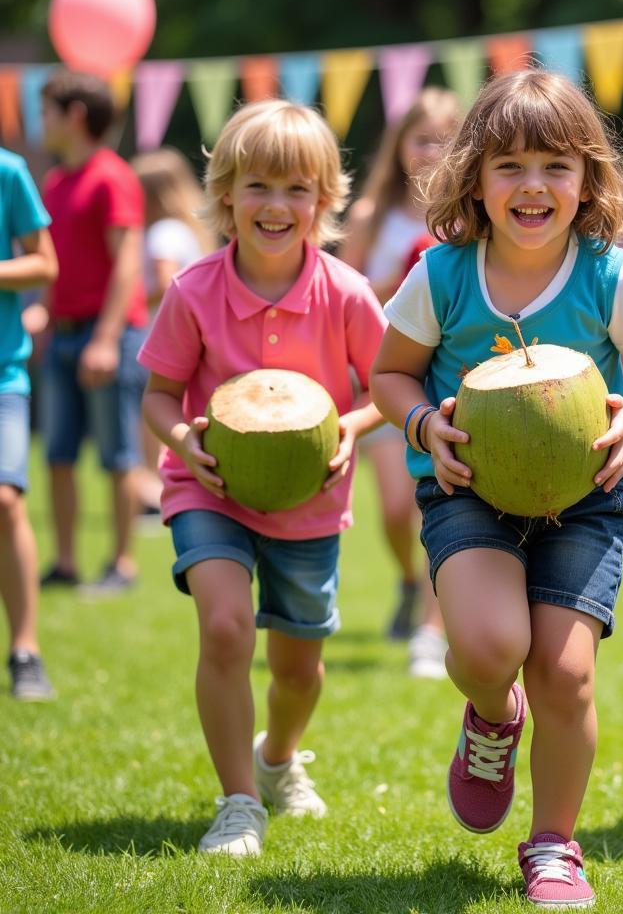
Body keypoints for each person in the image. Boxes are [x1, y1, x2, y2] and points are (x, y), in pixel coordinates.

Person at [369, 70, 623, 908]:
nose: (533, 185)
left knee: (567, 675)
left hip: (585, 498)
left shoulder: (610, 274)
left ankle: (553, 844)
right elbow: (390, 376)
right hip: (467, 490)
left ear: (587, 178)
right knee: (486, 648)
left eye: (555, 164)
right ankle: (491, 715)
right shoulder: (440, 275)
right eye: (509, 164)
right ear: (473, 176)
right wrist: (420, 428)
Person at [138, 99, 386, 857]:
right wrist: (185, 440)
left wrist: (352, 426)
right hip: (206, 489)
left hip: (310, 503)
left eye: (296, 189)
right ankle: (239, 800)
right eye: (258, 187)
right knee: (224, 628)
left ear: (322, 201)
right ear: (226, 196)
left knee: (297, 667)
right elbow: (156, 394)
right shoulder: (193, 290)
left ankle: (279, 756)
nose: (276, 206)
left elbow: (388, 385)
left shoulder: (345, 291)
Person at [342, 87, 461, 668]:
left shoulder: (473, 209)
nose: (431, 150)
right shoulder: (373, 214)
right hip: (387, 374)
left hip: (453, 378)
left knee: (440, 503)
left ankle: (430, 630)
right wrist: (403, 278)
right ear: (400, 145)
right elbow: (347, 292)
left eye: (443, 137)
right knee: (394, 510)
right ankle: (411, 580)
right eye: (421, 138)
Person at [38, 70, 149, 592]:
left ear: (75, 115)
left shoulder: (112, 176)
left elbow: (126, 262)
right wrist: (41, 314)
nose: (41, 123)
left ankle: (121, 565)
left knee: (118, 454)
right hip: (61, 336)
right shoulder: (54, 182)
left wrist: (105, 339)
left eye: (46, 112)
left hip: (109, 338)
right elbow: (48, 263)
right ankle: (64, 563)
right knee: (57, 454)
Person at [0, 147, 58, 699]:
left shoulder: (8, 170)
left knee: (5, 500)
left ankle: (25, 649)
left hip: (3, 373)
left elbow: (45, 263)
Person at [131, 147, 214, 516]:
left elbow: (166, 283)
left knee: (152, 421)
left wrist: (127, 298)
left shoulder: (161, 233)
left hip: (158, 338)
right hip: (193, 340)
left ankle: (153, 492)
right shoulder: (186, 231)